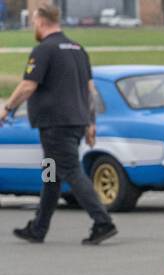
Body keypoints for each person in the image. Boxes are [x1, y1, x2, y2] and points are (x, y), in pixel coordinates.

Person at [0, 3, 115, 244]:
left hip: (55, 125)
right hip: (75, 122)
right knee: (51, 175)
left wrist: (7, 108)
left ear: (41, 21)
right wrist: (90, 123)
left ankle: (102, 221)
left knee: (71, 171)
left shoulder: (43, 50)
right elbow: (90, 91)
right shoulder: (78, 49)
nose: (33, 25)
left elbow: (28, 86)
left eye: (33, 21)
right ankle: (39, 228)